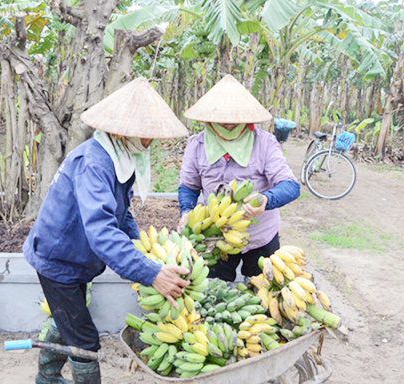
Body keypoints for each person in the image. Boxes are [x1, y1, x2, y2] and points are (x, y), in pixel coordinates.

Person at [23, 77, 190, 384]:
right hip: (58, 258)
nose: (150, 143)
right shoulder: (94, 163)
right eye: (145, 136)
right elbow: (101, 230)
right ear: (120, 131)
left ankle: (46, 378)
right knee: (84, 339)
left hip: (74, 254)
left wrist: (142, 248)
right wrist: (150, 272)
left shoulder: (118, 155)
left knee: (67, 321)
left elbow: (120, 212)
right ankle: (48, 378)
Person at [177, 74, 300, 282]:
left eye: (235, 121)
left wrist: (265, 200)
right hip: (215, 237)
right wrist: (186, 212)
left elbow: (290, 186)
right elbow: (188, 186)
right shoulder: (196, 145)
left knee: (261, 294)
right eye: (222, 121)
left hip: (261, 236)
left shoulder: (265, 143)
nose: (228, 125)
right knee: (215, 293)